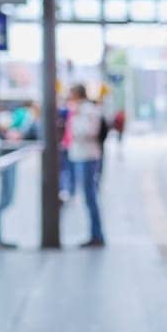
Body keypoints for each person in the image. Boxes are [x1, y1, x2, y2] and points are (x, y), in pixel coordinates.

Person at [66, 85, 105, 247]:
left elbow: (90, 131)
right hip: (80, 155)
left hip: (87, 156)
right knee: (88, 197)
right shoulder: (80, 110)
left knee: (90, 197)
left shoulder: (87, 110)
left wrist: (75, 126)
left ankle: (97, 235)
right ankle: (94, 234)